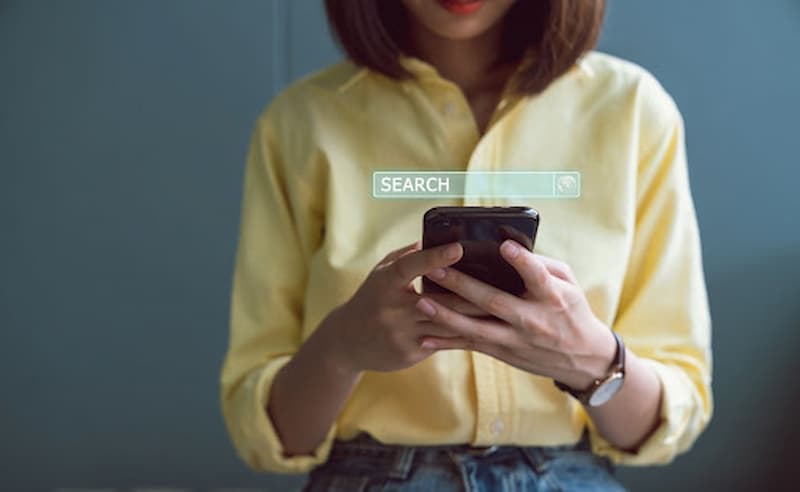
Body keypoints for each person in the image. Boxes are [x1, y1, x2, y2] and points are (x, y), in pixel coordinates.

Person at [220, 0, 713, 490]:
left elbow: (670, 415)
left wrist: (590, 359)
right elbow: (269, 435)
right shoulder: (299, 124)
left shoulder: (632, 111)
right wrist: (342, 348)